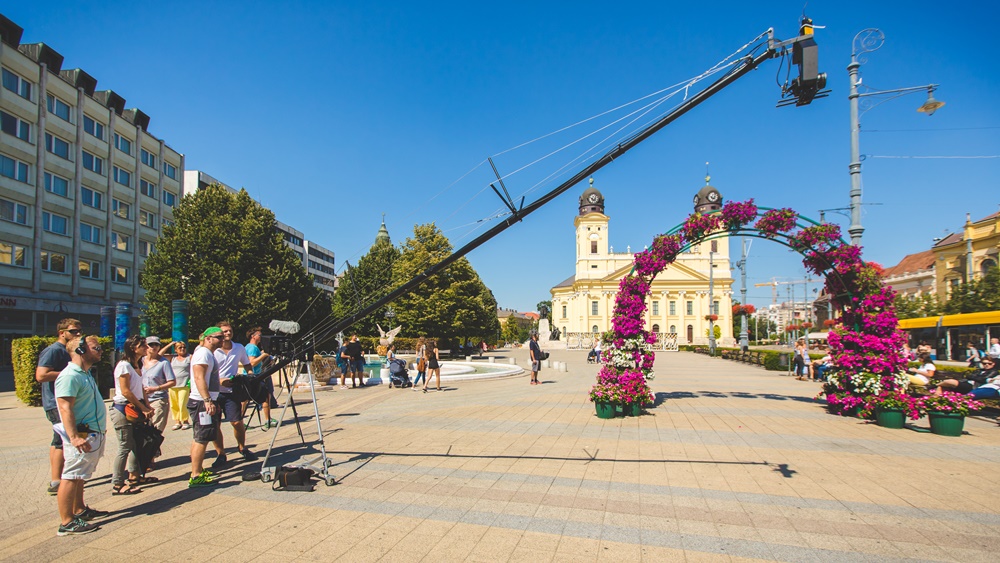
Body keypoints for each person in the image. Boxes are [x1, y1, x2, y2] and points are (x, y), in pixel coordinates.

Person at [54, 335, 109, 535]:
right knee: (70, 476)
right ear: (80, 350)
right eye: (96, 347)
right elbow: (65, 408)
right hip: (81, 435)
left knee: (79, 476)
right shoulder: (70, 376)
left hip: (92, 434)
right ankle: (67, 522)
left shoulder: (84, 373)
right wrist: (74, 436)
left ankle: (79, 510)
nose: (101, 350)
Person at [35, 318, 81, 495]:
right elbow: (41, 375)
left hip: (67, 401)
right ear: (62, 333)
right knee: (62, 440)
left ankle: (61, 478)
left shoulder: (69, 350)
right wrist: (68, 373)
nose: (77, 334)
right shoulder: (54, 350)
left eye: (79, 331)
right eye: (73, 331)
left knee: (60, 439)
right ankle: (56, 481)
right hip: (55, 403)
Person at [110, 335, 154, 495]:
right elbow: (126, 391)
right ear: (133, 348)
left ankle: (135, 476)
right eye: (142, 345)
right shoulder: (123, 366)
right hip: (124, 408)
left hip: (136, 407)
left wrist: (147, 405)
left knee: (136, 444)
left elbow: (140, 387)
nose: (146, 347)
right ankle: (117, 483)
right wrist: (142, 407)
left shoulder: (137, 364)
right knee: (125, 446)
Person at [213, 321, 256, 462]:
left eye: (229, 330)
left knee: (237, 422)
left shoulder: (239, 348)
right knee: (215, 425)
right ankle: (221, 454)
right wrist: (219, 380)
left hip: (232, 391)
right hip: (214, 392)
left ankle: (242, 447)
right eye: (224, 331)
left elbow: (247, 364)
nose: (227, 333)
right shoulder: (212, 350)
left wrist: (250, 376)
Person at [188, 327, 224, 487]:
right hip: (201, 402)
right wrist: (207, 400)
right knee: (201, 438)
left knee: (206, 436)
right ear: (208, 338)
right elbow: (198, 377)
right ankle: (196, 476)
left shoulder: (208, 353)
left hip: (207, 400)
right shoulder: (202, 353)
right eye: (219, 337)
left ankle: (199, 469)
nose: (222, 340)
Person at [141, 336, 176, 435]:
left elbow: (172, 382)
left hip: (158, 400)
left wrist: (156, 388)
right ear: (145, 346)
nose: (154, 347)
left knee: (155, 432)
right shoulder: (140, 361)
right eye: (151, 344)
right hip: (142, 401)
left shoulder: (164, 362)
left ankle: (152, 449)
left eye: (156, 344)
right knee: (143, 432)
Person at [245, 327, 276, 429]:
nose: (261, 337)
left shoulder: (251, 347)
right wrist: (264, 355)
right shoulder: (252, 348)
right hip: (253, 377)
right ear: (252, 336)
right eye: (259, 335)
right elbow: (252, 362)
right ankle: (267, 420)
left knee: (265, 397)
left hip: (255, 376)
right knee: (247, 400)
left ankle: (268, 419)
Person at [161, 340, 192, 430]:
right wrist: (170, 344)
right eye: (180, 348)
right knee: (174, 405)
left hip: (184, 385)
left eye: (184, 347)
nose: (182, 349)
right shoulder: (172, 357)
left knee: (183, 403)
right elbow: (160, 355)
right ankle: (177, 421)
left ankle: (185, 421)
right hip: (173, 385)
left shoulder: (189, 357)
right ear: (175, 350)